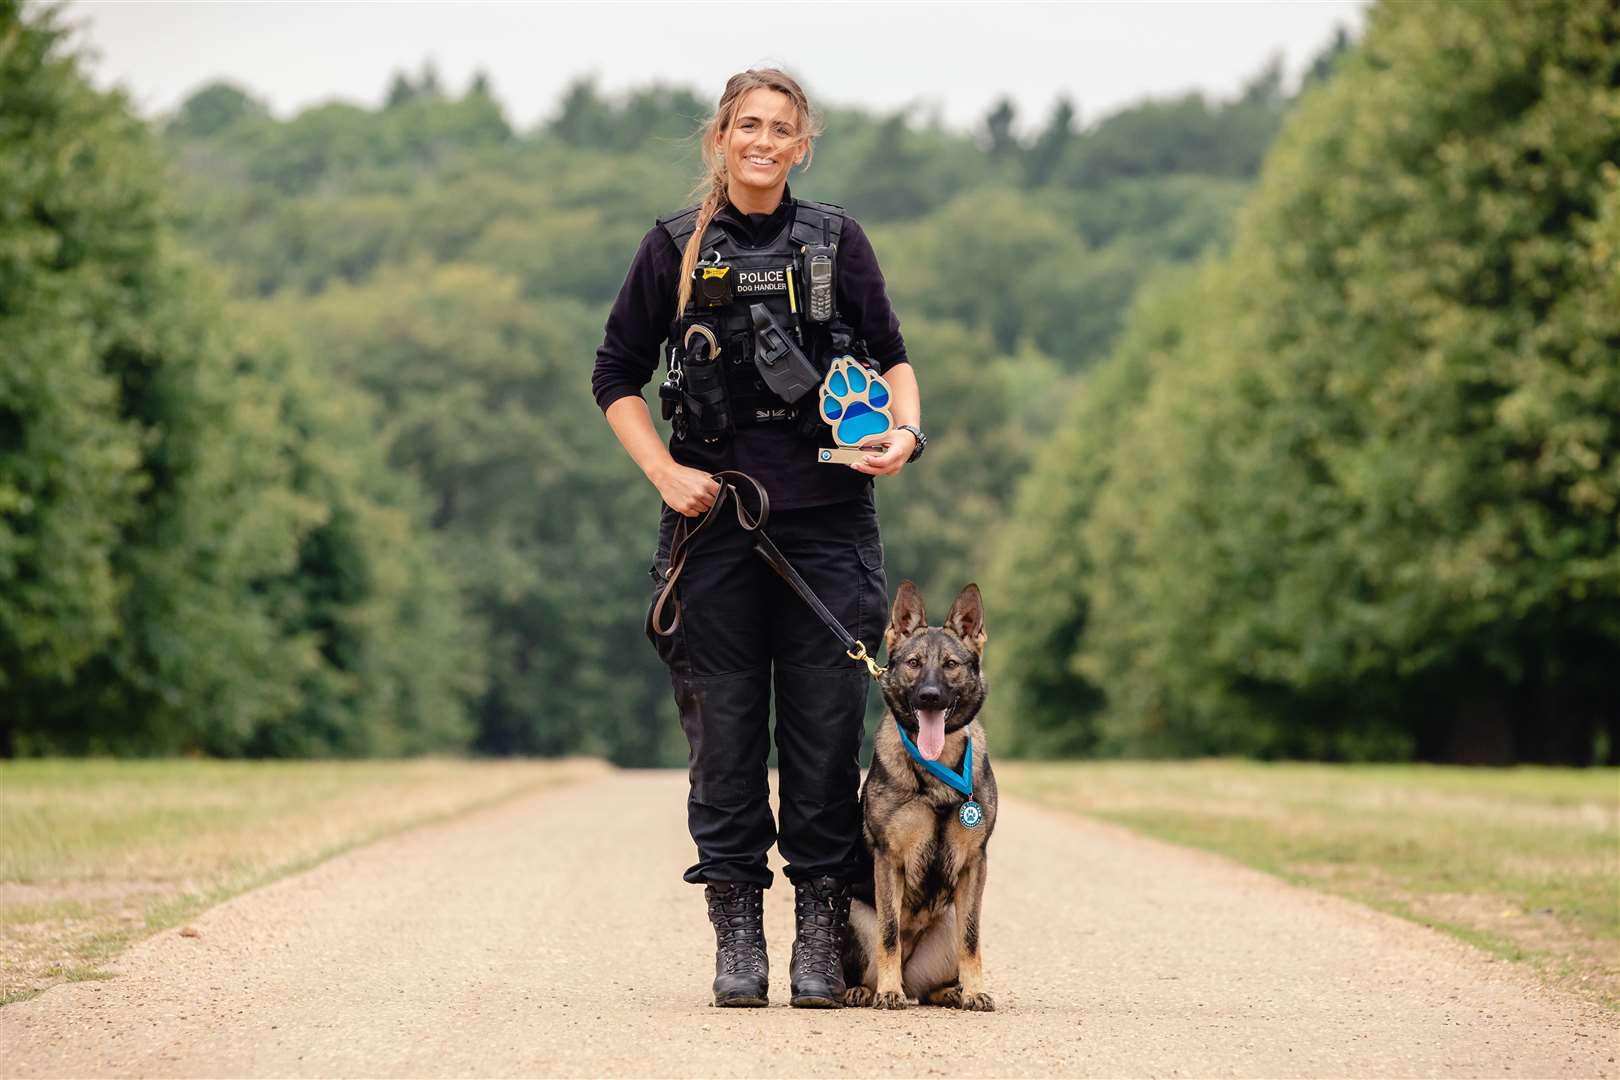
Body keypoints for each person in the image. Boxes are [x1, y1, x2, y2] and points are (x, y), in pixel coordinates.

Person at [591, 68, 925, 1009]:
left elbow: (893, 357)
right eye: (748, 125)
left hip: (829, 532)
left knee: (824, 742)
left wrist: (904, 435)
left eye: (781, 128)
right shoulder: (672, 247)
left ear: (802, 142)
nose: (763, 141)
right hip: (713, 532)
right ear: (721, 138)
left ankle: (818, 935)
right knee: (727, 741)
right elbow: (614, 374)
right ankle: (737, 934)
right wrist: (664, 473)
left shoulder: (838, 240)